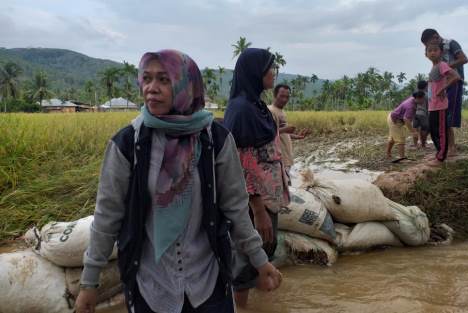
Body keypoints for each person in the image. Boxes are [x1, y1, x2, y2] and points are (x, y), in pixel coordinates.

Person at [75, 50, 281, 313]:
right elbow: (106, 217)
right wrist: (89, 282)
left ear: (186, 84)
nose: (152, 88)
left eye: (164, 79)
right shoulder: (128, 144)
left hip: (208, 283)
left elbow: (236, 208)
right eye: (146, 79)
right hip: (151, 285)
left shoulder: (215, 140)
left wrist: (260, 261)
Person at [223, 48, 290, 308]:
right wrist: (257, 208)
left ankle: (261, 301)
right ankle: (241, 305)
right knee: (246, 256)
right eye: (269, 68)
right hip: (254, 202)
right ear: (255, 73)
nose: (273, 72)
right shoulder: (241, 110)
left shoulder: (256, 105)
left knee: (263, 248)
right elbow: (240, 165)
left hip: (268, 197)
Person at [421, 29, 468, 156]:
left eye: (430, 45)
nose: (430, 50)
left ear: (435, 37)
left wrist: (444, 68)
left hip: (453, 83)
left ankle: (451, 148)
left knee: (448, 118)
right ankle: (446, 147)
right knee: (442, 119)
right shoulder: (436, 64)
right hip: (444, 84)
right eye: (427, 48)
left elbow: (464, 59)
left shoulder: (451, 43)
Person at [425, 42, 461, 166]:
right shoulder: (434, 67)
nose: (433, 52)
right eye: (430, 51)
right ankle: (439, 154)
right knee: (433, 130)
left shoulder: (442, 65)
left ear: (441, 52)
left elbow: (456, 76)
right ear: (426, 54)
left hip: (440, 105)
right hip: (432, 106)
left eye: (435, 50)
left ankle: (441, 158)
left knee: (441, 131)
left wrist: (443, 89)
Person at [268, 83, 308, 181]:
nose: (284, 99)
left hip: (286, 158)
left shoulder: (281, 111)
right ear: (275, 95)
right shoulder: (270, 111)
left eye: (287, 97)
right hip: (278, 159)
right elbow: (268, 133)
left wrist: (298, 136)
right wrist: (286, 129)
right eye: (281, 96)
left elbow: (283, 133)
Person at [386, 91, 425, 160]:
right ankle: (402, 158)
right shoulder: (411, 106)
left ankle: (388, 153)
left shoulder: (413, 100)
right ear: (418, 98)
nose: (424, 100)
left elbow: (409, 118)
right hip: (394, 121)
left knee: (393, 139)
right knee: (400, 140)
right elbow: (406, 120)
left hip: (393, 118)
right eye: (423, 99)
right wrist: (413, 131)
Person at [412, 80, 430, 148]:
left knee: (415, 129)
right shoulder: (426, 95)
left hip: (416, 113)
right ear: (425, 86)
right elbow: (429, 106)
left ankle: (415, 145)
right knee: (424, 130)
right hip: (423, 114)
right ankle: (423, 145)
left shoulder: (415, 93)